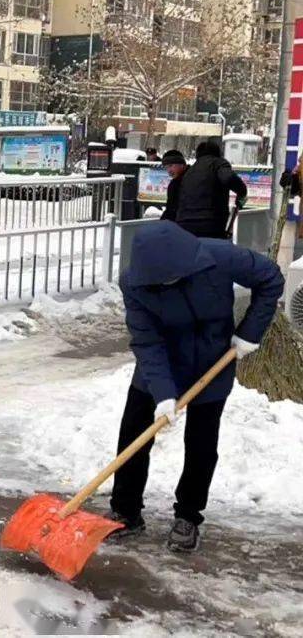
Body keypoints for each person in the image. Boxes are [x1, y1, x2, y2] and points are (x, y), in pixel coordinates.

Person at [110, 221, 283, 551]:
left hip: (213, 360)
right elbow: (146, 340)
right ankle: (125, 511)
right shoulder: (134, 284)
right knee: (134, 431)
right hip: (161, 362)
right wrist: (163, 393)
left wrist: (249, 332)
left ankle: (188, 516)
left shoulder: (217, 256)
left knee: (202, 441)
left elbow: (270, 278)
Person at [173, 140, 248, 238]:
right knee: (211, 251)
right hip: (210, 223)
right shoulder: (217, 163)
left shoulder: (190, 170)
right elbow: (228, 177)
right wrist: (242, 191)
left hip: (184, 223)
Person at [159, 149, 189, 222]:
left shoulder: (191, 180)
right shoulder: (174, 183)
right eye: (166, 168)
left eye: (170, 166)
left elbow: (172, 210)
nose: (169, 171)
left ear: (182, 164)